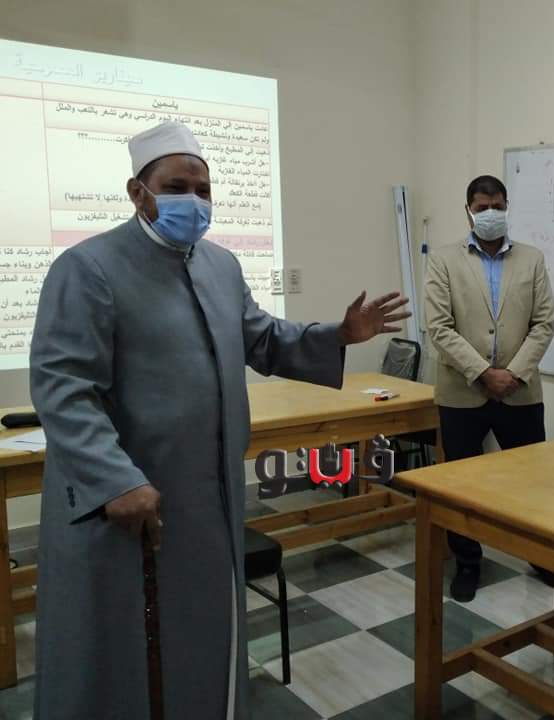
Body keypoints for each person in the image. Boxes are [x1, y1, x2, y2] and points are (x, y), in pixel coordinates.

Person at [30, 121, 410, 720]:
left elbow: (263, 339)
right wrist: (115, 479)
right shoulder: (88, 268)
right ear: (137, 192)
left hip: (210, 501)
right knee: (128, 658)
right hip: (133, 506)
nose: (194, 201)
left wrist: (339, 334)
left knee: (206, 641)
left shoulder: (220, 266)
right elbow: (63, 385)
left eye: (203, 189)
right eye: (176, 188)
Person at [424, 174, 554, 601]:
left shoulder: (532, 259)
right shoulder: (443, 260)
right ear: (468, 211)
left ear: (507, 206)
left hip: (520, 391)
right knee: (461, 483)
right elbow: (439, 327)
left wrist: (512, 373)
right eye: (482, 208)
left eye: (497, 206)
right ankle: (467, 563)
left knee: (531, 481)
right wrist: (483, 372)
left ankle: (539, 555)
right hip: (462, 392)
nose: (490, 214)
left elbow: (543, 323)